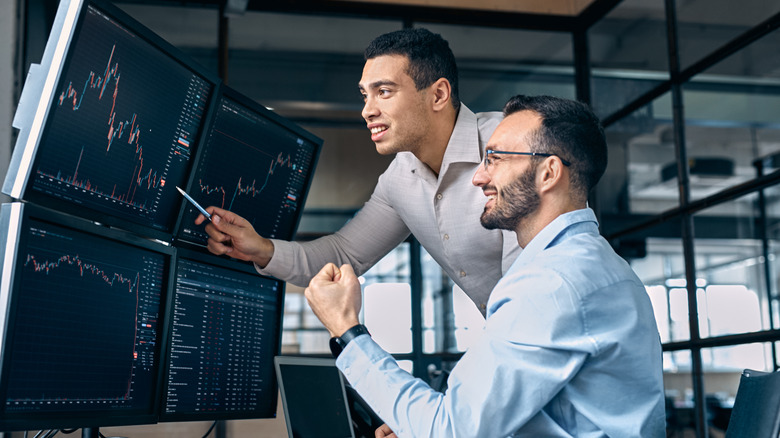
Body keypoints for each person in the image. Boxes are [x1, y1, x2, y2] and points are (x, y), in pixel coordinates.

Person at [304, 94, 666, 437]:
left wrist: (346, 330)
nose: (478, 177)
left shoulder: (553, 283)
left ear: (548, 173)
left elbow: (451, 429)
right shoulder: (594, 265)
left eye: (494, 158)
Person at [197, 28, 519, 314]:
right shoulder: (398, 180)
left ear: (438, 94)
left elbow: (530, 283)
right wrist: (261, 248)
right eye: (365, 94)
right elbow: (344, 253)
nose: (367, 110)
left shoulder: (512, 147)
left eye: (384, 92)